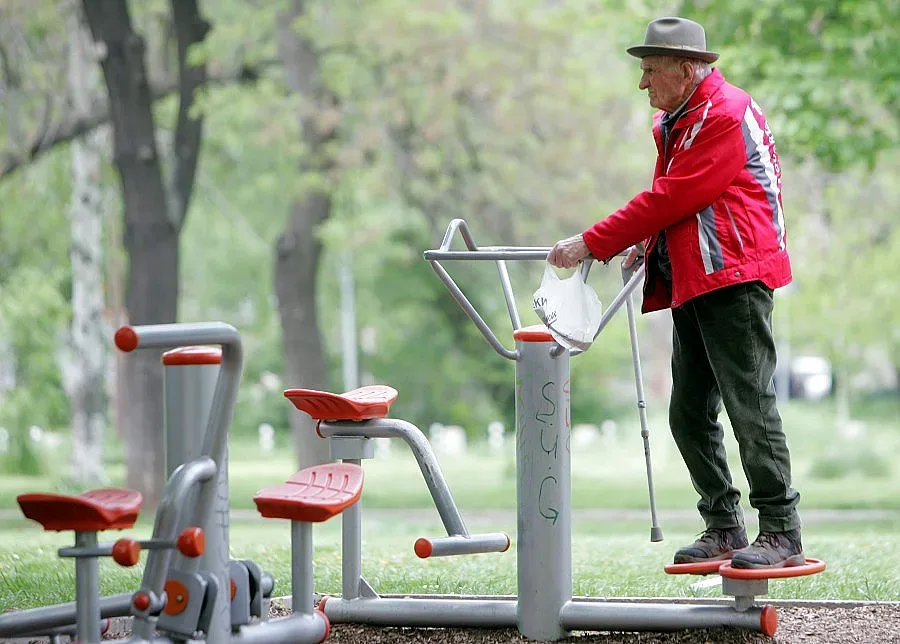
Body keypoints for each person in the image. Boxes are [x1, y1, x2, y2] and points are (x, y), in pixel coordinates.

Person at [547, 16, 803, 569]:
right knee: (688, 414)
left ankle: (781, 530)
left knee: (749, 407)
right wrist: (647, 244)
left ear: (687, 70)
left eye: (651, 70)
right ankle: (724, 525)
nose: (643, 83)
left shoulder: (721, 115)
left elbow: (673, 197)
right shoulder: (680, 119)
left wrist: (591, 242)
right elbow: (676, 199)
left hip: (735, 276)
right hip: (700, 276)